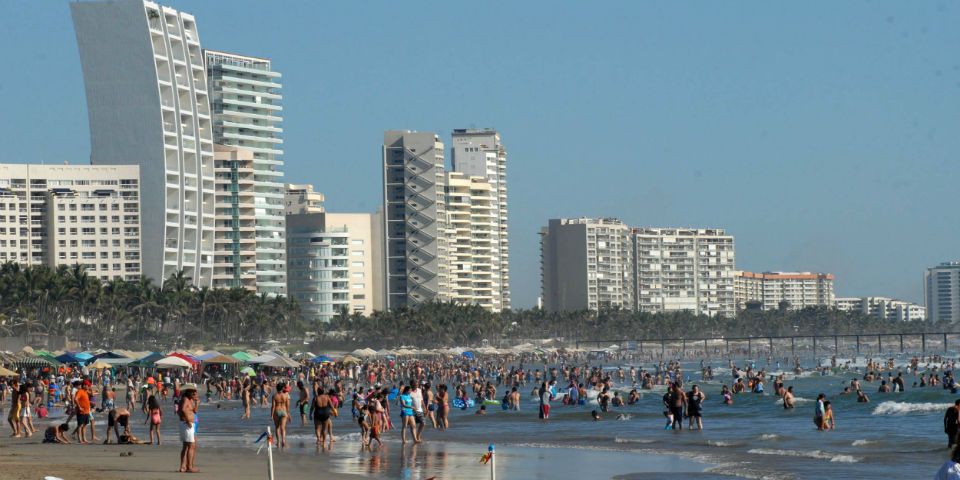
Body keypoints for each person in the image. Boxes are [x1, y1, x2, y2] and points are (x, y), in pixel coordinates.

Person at [178, 385, 199, 474]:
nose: (194, 393)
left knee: (187, 446)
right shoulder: (185, 399)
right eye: (192, 392)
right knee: (191, 446)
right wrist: (187, 421)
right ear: (188, 392)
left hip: (190, 425)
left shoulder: (190, 400)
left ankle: (184, 466)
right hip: (187, 424)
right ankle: (189, 467)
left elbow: (194, 411)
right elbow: (182, 410)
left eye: (195, 392)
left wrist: (197, 403)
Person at [270, 381, 290, 448]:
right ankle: (283, 441)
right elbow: (287, 406)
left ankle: (278, 442)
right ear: (282, 388)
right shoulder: (286, 395)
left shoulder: (274, 396)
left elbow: (273, 406)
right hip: (284, 411)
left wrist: (271, 415)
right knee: (283, 428)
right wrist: (289, 414)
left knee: (277, 427)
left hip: (277, 411)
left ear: (277, 388)